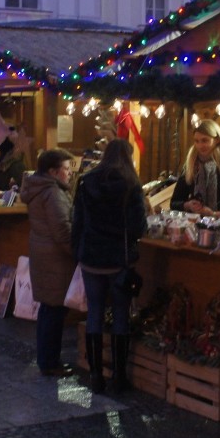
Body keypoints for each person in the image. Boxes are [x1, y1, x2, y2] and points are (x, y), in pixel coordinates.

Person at [72, 139, 147, 393]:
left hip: (91, 259)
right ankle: (118, 376)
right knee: (120, 314)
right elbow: (138, 227)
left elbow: (77, 221)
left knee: (94, 312)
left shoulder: (86, 182)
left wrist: (77, 251)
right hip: (118, 261)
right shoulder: (131, 185)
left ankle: (95, 375)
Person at [20, 148, 76, 377]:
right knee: (53, 311)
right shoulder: (53, 193)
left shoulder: (38, 188)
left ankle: (47, 359)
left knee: (48, 310)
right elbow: (62, 231)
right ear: (53, 172)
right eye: (66, 169)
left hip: (44, 255)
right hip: (56, 259)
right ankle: (50, 362)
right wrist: (78, 252)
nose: (70, 173)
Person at [171, 119, 220, 216]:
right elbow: (174, 202)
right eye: (196, 141)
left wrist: (216, 214)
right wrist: (188, 205)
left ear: (217, 140)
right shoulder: (191, 165)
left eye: (205, 140)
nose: (200, 145)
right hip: (195, 223)